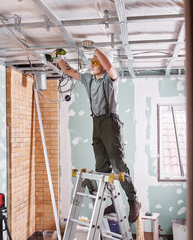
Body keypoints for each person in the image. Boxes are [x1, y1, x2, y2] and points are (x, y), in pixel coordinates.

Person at [47, 40, 141, 223]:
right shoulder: (88, 78)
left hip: (110, 123)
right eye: (92, 61)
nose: (92, 64)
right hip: (96, 123)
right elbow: (68, 71)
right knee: (101, 166)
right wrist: (59, 59)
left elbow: (112, 68)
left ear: (103, 66)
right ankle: (115, 200)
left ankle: (133, 200)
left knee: (118, 164)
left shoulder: (110, 79)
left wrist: (97, 50)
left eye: (96, 62)